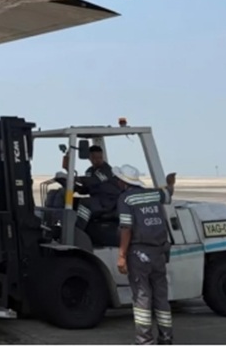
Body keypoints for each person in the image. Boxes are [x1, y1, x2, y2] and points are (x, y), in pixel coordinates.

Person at [114, 164, 177, 345]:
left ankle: (144, 341)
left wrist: (121, 256)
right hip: (159, 252)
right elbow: (168, 193)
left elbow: (126, 228)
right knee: (161, 297)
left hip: (139, 254)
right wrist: (170, 183)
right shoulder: (154, 194)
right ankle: (166, 338)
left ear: (123, 182)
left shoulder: (126, 199)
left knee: (142, 297)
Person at [74, 145, 121, 228]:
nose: (98, 160)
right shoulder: (89, 171)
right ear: (89, 157)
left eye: (100, 157)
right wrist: (76, 188)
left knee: (85, 202)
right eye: (95, 158)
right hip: (97, 200)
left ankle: (78, 229)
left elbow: (93, 180)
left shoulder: (106, 170)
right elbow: (87, 188)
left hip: (108, 202)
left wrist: (74, 178)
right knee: (72, 201)